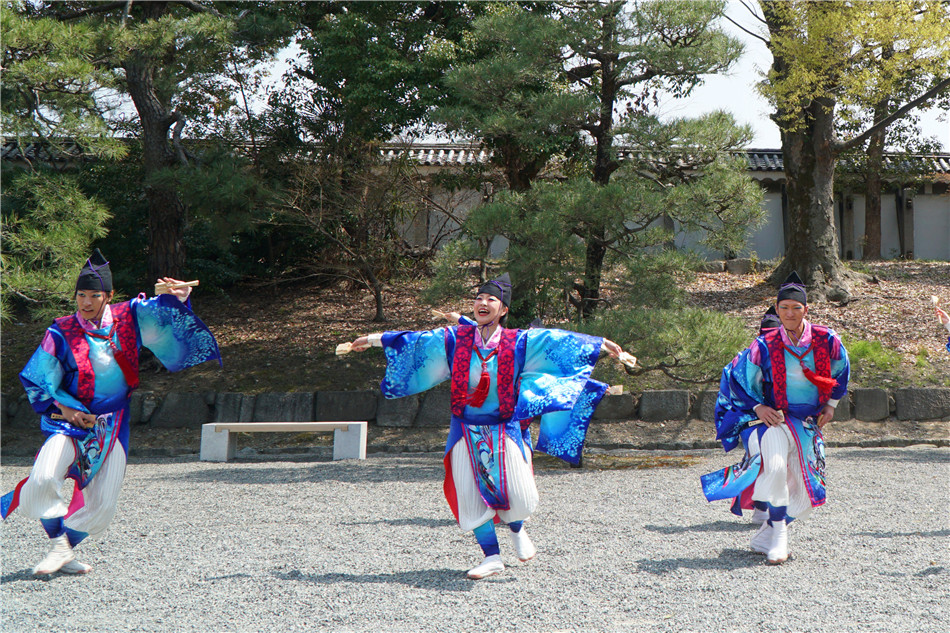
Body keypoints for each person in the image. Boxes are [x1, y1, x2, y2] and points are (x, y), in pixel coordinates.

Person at [348, 273, 628, 579]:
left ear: (503, 309)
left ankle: (518, 530)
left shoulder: (519, 341)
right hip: (465, 429)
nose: (483, 303)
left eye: (491, 299)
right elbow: (416, 342)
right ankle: (491, 556)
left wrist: (602, 344)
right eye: (479, 298)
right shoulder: (456, 339)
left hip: (503, 427)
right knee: (470, 496)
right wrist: (372, 340)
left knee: (519, 494)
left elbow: (560, 342)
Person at [1, 250, 221, 576]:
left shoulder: (128, 317)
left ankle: (63, 549)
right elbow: (38, 377)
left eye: (94, 296)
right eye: (81, 295)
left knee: (103, 503)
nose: (86, 303)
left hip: (112, 424)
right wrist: (63, 407)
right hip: (70, 421)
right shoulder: (61, 331)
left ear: (109, 296)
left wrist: (181, 297)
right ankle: (60, 546)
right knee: (44, 477)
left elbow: (165, 318)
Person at [700, 271, 850, 565]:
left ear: (806, 309)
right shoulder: (765, 344)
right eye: (784, 307)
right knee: (777, 467)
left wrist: (831, 404)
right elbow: (738, 378)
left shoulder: (826, 339)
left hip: (807, 423)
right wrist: (758, 408)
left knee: (808, 496)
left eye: (796, 307)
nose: (790, 313)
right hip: (775, 421)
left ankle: (765, 533)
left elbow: (842, 369)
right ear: (777, 309)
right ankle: (779, 538)